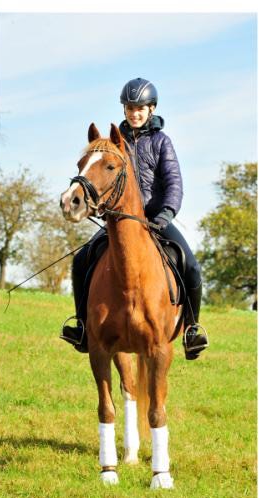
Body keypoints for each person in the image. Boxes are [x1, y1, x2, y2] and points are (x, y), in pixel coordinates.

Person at [61, 78, 209, 360]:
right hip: (120, 221)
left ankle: (191, 328)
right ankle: (81, 325)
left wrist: (166, 214)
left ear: (151, 109)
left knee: (191, 266)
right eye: (130, 108)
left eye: (140, 108)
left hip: (157, 219)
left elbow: (174, 183)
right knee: (81, 260)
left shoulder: (161, 142)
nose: (135, 113)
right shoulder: (116, 143)